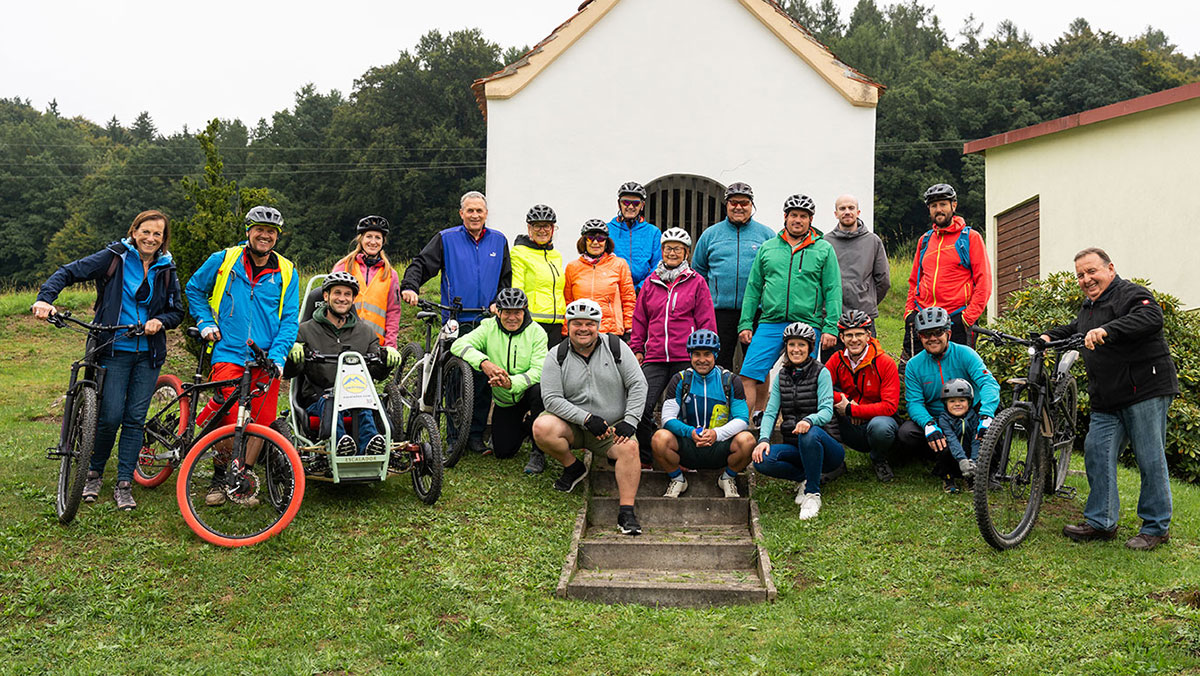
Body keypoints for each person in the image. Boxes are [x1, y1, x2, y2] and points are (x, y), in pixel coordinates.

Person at [33, 210, 184, 511]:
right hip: (114, 349)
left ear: (163, 239)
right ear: (134, 231)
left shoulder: (167, 268)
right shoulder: (114, 257)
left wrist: (160, 321)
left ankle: (124, 482)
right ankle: (94, 472)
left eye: (157, 234)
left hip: (149, 354)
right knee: (110, 416)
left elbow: (177, 311)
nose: (150, 238)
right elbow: (68, 272)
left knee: (135, 419)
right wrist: (45, 298)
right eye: (145, 231)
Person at [1042, 248, 1177, 551]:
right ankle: (1102, 522)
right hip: (1107, 398)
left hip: (1144, 389)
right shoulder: (1089, 307)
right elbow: (1076, 330)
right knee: (1096, 452)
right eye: (1080, 275)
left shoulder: (1130, 293)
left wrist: (1107, 329)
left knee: (1150, 458)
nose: (1086, 279)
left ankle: (1156, 527)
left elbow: (1151, 317)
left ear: (1110, 269)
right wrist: (1047, 337)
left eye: (1092, 271)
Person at [186, 205, 300, 506]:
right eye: (259, 229)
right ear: (248, 231)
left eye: (271, 232)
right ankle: (219, 475)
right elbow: (194, 288)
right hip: (229, 351)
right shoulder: (224, 260)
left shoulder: (287, 271)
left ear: (277, 236)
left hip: (265, 358)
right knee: (229, 415)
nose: (265, 236)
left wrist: (278, 356)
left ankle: (241, 478)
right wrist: (205, 321)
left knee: (261, 421)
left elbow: (290, 320)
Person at [400, 190, 511, 455]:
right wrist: (410, 286)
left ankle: (475, 437)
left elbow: (505, 278)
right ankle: (453, 438)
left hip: (486, 320)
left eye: (479, 211)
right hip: (456, 319)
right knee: (455, 380)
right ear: (461, 213)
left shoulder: (498, 241)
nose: (475, 215)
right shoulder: (446, 239)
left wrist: (499, 301)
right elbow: (421, 264)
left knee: (483, 381)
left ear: (486, 214)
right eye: (470, 210)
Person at [533, 300, 648, 535]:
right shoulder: (556, 355)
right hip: (573, 425)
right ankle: (573, 467)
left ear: (598, 325)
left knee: (630, 449)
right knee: (542, 427)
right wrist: (585, 418)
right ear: (568, 325)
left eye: (589, 324)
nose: (583, 329)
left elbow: (638, 384)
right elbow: (551, 399)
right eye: (577, 323)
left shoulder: (616, 347)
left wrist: (630, 420)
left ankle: (626, 512)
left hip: (611, 427)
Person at [738, 194, 842, 419]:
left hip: (808, 323)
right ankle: (744, 427)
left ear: (811, 219)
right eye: (794, 215)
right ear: (785, 217)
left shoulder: (823, 249)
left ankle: (801, 428)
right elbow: (753, 288)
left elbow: (833, 289)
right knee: (749, 374)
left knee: (804, 381)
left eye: (803, 216)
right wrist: (745, 323)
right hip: (770, 322)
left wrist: (831, 326)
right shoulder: (768, 248)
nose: (798, 220)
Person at [630, 227, 717, 462]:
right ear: (662, 251)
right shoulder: (650, 283)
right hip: (655, 357)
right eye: (668, 248)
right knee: (641, 406)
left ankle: (684, 458)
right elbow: (640, 319)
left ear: (686, 253)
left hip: (685, 358)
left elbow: (706, 320)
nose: (672, 253)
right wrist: (637, 348)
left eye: (678, 249)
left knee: (686, 411)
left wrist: (706, 353)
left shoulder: (696, 282)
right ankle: (647, 456)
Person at [288, 272, 398, 456]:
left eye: (347, 294)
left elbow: (376, 373)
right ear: (326, 296)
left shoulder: (366, 333)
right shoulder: (304, 331)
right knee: (330, 400)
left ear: (353, 299)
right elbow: (290, 373)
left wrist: (387, 361)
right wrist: (293, 358)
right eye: (337, 293)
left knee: (366, 401)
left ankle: (371, 446)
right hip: (319, 397)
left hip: (356, 396)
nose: (342, 298)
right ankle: (339, 445)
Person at [896, 307, 999, 486]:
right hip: (937, 418)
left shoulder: (965, 354)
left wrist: (986, 415)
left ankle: (990, 470)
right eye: (926, 334)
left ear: (948, 333)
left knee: (996, 415)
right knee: (907, 433)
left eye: (938, 332)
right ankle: (941, 461)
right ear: (920, 337)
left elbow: (988, 384)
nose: (932, 338)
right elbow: (914, 402)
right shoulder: (913, 365)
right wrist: (929, 425)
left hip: (969, 415)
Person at [751, 322, 845, 520]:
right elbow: (771, 413)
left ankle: (812, 493)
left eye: (801, 345)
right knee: (762, 460)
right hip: (796, 447)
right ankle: (806, 477)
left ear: (810, 348)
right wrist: (763, 440)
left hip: (827, 447)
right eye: (791, 344)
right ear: (785, 347)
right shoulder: (782, 376)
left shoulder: (822, 372)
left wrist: (810, 420)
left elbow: (827, 410)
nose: (796, 349)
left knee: (809, 433)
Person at [450, 288, 549, 472]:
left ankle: (538, 452)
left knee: (540, 390)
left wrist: (512, 383)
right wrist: (484, 363)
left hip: (528, 391)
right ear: (499, 312)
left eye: (517, 312)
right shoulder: (488, 327)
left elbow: (539, 371)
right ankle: (527, 426)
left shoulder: (537, 332)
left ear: (525, 311)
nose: (512, 317)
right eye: (507, 312)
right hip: (505, 400)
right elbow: (458, 344)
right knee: (503, 451)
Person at [651, 330, 755, 498]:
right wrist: (690, 432)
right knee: (659, 438)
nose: (701, 360)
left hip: (720, 445)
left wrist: (716, 434)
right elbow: (667, 419)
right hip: (689, 444)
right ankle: (677, 479)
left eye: (707, 354)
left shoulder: (730, 380)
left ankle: (727, 478)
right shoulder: (680, 379)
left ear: (715, 355)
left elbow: (742, 419)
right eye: (696, 354)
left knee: (748, 441)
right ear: (690, 355)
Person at [901, 183, 991, 361]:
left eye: (943, 204)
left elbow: (984, 282)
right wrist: (909, 312)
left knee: (957, 374)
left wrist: (967, 318)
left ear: (953, 206)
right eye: (934, 206)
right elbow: (915, 281)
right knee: (912, 371)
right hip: (923, 317)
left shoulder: (970, 238)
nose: (938, 210)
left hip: (956, 318)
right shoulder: (925, 240)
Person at [692, 181, 775, 372]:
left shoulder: (767, 235)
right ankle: (721, 393)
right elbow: (699, 272)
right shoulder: (710, 235)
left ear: (752, 205)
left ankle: (756, 395)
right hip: (719, 312)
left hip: (756, 311)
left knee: (757, 366)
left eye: (744, 203)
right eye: (733, 202)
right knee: (719, 364)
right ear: (726, 205)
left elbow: (775, 272)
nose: (738, 207)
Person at [824, 310, 900, 483]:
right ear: (841, 338)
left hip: (877, 423)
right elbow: (820, 387)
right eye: (849, 335)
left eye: (859, 334)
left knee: (881, 427)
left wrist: (853, 410)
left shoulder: (885, 362)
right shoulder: (837, 359)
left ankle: (879, 459)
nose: (854, 340)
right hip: (849, 422)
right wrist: (843, 400)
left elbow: (890, 406)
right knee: (822, 409)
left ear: (868, 335)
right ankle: (835, 463)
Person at [826, 194, 890, 342]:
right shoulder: (826, 242)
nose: (847, 212)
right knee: (835, 357)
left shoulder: (873, 241)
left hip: (864, 316)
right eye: (842, 208)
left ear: (858, 212)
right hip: (834, 317)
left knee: (867, 356)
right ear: (836, 214)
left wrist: (868, 299)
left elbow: (883, 280)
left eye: (851, 208)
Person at [331, 215, 401, 348]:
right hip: (343, 341)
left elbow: (393, 313)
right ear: (361, 239)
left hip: (375, 344)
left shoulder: (390, 274)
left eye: (378, 238)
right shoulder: (343, 266)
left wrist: (390, 345)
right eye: (369, 236)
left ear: (383, 241)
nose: (373, 242)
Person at [562, 219, 636, 337]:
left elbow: (628, 298)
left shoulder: (619, 264)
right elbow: (568, 301)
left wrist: (629, 327)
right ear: (584, 241)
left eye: (601, 238)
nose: (596, 242)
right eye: (590, 238)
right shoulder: (572, 267)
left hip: (611, 331)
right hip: (582, 330)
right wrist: (566, 330)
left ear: (606, 242)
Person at [511, 204, 566, 348]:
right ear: (529, 228)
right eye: (537, 226)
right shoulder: (519, 252)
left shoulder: (556, 255)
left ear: (552, 229)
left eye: (546, 226)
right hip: (533, 322)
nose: (542, 230)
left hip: (557, 323)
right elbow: (517, 287)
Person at [607, 181, 661, 290]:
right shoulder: (607, 230)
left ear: (642, 205)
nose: (631, 207)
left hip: (643, 290)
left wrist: (641, 287)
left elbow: (658, 265)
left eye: (636, 203)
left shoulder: (653, 232)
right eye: (626, 202)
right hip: (614, 290)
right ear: (619, 204)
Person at [935, 379, 980, 494]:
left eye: (962, 400)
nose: (957, 404)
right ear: (945, 403)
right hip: (953, 456)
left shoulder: (974, 417)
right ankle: (948, 478)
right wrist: (961, 460)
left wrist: (973, 460)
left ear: (969, 402)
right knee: (943, 447)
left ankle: (970, 477)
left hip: (969, 457)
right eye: (952, 401)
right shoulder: (943, 419)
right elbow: (951, 439)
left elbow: (976, 440)